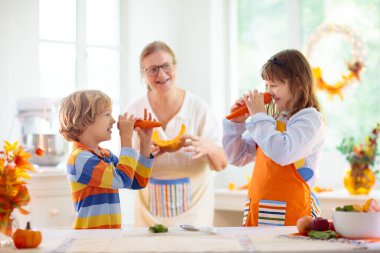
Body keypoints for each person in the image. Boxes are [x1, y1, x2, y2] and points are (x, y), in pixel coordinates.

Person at [127, 41, 228, 227]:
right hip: (148, 211)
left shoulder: (199, 108)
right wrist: (142, 157)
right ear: (143, 74)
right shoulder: (135, 111)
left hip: (195, 210)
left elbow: (221, 164)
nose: (162, 74)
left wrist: (209, 147)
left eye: (166, 66)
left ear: (175, 66)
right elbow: (126, 174)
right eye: (153, 69)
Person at [223, 49, 326, 227]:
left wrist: (258, 117)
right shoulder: (270, 123)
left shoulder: (310, 120)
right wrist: (236, 125)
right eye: (266, 86)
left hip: (293, 216)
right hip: (259, 214)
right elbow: (237, 157)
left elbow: (282, 152)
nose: (269, 93)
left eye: (275, 85)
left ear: (299, 84)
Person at [59, 90, 155, 229]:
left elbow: (137, 182)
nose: (114, 120)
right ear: (85, 121)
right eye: (107, 114)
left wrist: (145, 144)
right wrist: (126, 137)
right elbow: (123, 180)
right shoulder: (79, 159)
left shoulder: (105, 155)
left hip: (110, 236)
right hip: (89, 240)